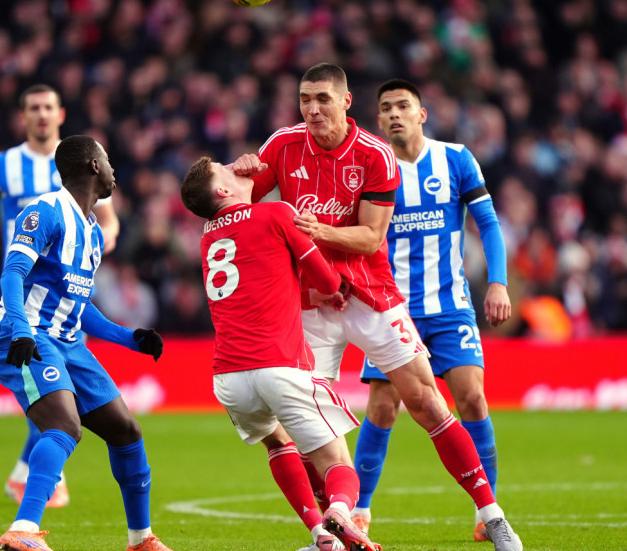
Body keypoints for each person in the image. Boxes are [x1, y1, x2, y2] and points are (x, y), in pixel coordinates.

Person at [232, 63, 522, 551]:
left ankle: (491, 515)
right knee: (306, 425)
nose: (313, 109)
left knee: (428, 401)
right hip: (312, 304)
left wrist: (315, 231)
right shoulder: (282, 145)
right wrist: (236, 177)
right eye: (305, 99)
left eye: (323, 98)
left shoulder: (375, 155)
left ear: (345, 102)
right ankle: (334, 528)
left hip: (371, 294)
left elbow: (370, 237)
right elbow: (241, 205)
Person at [180, 156, 378, 551]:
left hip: (229, 376)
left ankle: (320, 535)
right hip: (279, 363)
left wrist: (248, 176)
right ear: (222, 190)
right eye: (226, 168)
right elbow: (327, 280)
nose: (236, 165)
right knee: (338, 461)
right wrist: (331, 283)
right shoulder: (276, 214)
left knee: (278, 444)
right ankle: (338, 513)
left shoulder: (207, 238)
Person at [0, 84, 120, 508]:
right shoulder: (2, 166)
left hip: (67, 296)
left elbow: (109, 221)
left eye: (48, 107)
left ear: (61, 113)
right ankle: (33, 482)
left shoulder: (82, 160)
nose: (41, 115)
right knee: (52, 387)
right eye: (34, 108)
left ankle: (28, 475)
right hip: (21, 289)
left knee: (56, 385)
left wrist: (96, 245)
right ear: (23, 117)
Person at [0, 134, 171, 551]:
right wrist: (19, 329)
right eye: (107, 161)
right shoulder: (46, 211)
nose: (112, 171)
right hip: (27, 335)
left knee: (126, 430)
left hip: (67, 342)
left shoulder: (90, 231)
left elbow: (78, 306)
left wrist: (130, 338)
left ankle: (140, 540)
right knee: (64, 426)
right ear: (92, 166)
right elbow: (12, 275)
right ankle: (23, 531)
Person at [350, 78, 512, 543]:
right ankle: (361, 510)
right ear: (378, 120)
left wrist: (497, 281)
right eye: (386, 108)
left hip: (449, 307)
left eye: (404, 105)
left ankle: (487, 511)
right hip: (390, 308)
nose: (395, 113)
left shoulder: (456, 159)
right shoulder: (368, 167)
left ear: (422, 114)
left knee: (473, 399)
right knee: (382, 407)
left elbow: (488, 223)